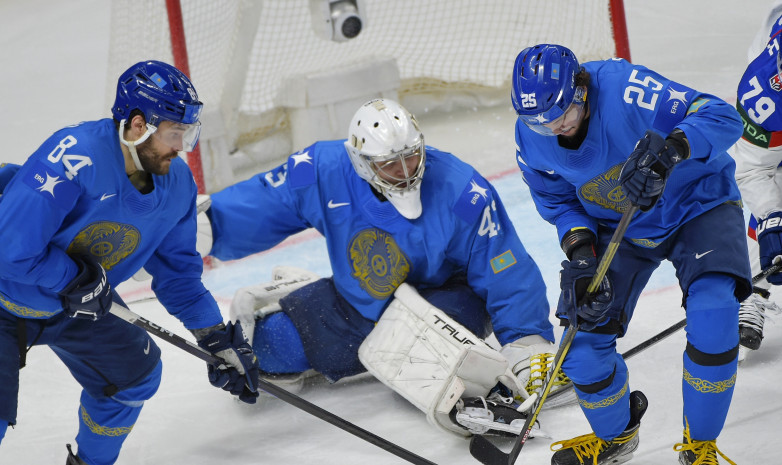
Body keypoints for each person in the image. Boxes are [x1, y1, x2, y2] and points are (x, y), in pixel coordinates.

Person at [200, 97, 572, 437]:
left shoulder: (462, 189)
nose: (406, 169)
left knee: (444, 361)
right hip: (357, 302)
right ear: (360, 161)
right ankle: (309, 305)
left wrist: (526, 341)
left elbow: (504, 266)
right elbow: (266, 201)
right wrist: (204, 228)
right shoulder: (321, 169)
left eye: (411, 155)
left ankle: (428, 360)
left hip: (444, 301)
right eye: (389, 163)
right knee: (267, 351)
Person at [0, 61, 260, 465]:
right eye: (176, 133)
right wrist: (73, 279)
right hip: (4, 297)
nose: (182, 147)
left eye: (188, 133)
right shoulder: (74, 156)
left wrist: (215, 338)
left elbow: (179, 278)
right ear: (138, 124)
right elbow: (10, 251)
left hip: (76, 305)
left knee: (133, 376)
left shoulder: (176, 186)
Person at [511, 44, 751, 465]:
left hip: (698, 205)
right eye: (541, 122)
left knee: (714, 312)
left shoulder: (626, 90)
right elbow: (559, 202)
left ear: (580, 89)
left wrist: (672, 150)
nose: (555, 128)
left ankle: (700, 448)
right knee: (581, 345)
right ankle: (617, 436)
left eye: (562, 112)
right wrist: (582, 253)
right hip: (618, 226)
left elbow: (722, 116)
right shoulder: (533, 136)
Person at [729, 3, 782, 362]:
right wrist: (771, 217)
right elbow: (753, 170)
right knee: (771, 204)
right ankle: (752, 288)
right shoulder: (764, 91)